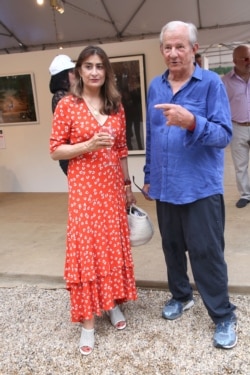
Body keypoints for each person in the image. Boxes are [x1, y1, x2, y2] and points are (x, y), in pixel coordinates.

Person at [142, 21, 237, 349]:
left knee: (206, 253)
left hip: (200, 188)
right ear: (161, 50)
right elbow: (152, 135)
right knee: (172, 248)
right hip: (166, 187)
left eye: (180, 46)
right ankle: (181, 296)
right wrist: (149, 176)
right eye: (167, 47)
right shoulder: (155, 86)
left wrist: (193, 121)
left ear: (194, 49)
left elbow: (225, 135)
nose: (173, 53)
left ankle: (223, 315)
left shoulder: (211, 84)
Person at [49, 45, 137, 355]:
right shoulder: (67, 106)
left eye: (100, 66)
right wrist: (87, 144)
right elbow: (56, 150)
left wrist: (127, 185)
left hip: (112, 188)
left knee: (111, 247)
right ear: (79, 71)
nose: (95, 72)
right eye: (89, 66)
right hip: (85, 190)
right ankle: (88, 322)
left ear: (107, 71)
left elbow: (122, 149)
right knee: (86, 249)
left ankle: (111, 304)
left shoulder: (115, 105)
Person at [222, 45, 250, 208]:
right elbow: (221, 106)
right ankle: (246, 194)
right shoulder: (225, 81)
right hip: (237, 127)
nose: (249, 62)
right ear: (234, 61)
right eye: (245, 58)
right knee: (240, 165)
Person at [49, 54, 75, 175]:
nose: (76, 74)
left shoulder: (69, 95)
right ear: (63, 76)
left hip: (76, 151)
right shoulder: (60, 97)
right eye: (72, 71)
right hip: (69, 153)